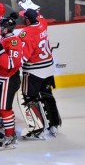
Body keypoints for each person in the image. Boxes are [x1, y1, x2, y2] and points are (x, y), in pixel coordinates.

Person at [18, 8, 62, 139]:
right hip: (48, 67)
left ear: (27, 19)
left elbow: (24, 57)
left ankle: (37, 128)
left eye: (23, 17)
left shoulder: (26, 33)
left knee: (29, 98)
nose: (21, 19)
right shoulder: (42, 24)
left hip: (34, 71)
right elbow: (40, 15)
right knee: (47, 95)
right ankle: (53, 124)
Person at [0, 12, 22, 150]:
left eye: (1, 26)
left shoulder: (14, 41)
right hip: (0, 78)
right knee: (0, 107)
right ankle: (8, 132)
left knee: (5, 109)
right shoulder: (3, 37)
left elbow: (10, 64)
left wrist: (0, 52)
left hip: (8, 79)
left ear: (6, 29)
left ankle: (10, 136)